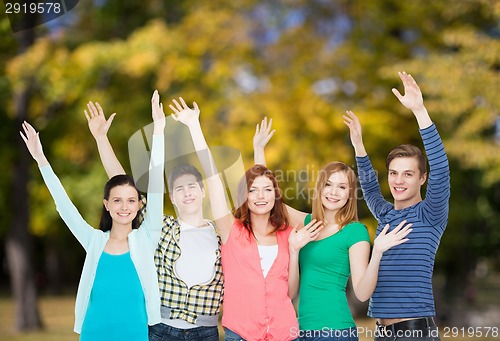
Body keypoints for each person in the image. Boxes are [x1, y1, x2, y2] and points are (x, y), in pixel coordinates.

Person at [168, 98, 323, 341]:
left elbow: (290, 293)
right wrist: (193, 126)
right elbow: (213, 177)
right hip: (240, 334)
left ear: (276, 195)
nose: (261, 196)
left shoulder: (287, 235)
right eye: (253, 191)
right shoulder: (231, 230)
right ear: (245, 196)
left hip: (286, 334)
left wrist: (294, 251)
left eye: (268, 190)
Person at [19, 90, 165, 341]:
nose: (124, 206)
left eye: (131, 201)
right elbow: (64, 207)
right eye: (117, 200)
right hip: (94, 332)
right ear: (106, 205)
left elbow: (156, 186)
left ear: (140, 205)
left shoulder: (147, 238)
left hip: (135, 333)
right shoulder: (95, 241)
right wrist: (41, 158)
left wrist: (159, 132)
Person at [253, 119, 412, 341]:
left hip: (336, 331)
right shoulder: (308, 223)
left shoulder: (354, 231)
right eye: (329, 184)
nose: (334, 192)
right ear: (320, 188)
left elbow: (363, 292)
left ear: (349, 194)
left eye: (342, 187)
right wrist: (259, 151)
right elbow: (271, 203)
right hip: (301, 330)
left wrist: (377, 253)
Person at [84, 99, 223, 341]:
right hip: (162, 329)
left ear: (202, 191)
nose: (187, 192)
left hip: (206, 331)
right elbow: (120, 182)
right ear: (173, 197)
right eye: (179, 189)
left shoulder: (221, 235)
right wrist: (100, 138)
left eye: (192, 186)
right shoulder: (161, 227)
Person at [344, 71, 450, 341]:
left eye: (408, 174)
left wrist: (420, 111)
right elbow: (368, 187)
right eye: (393, 173)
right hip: (382, 332)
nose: (399, 181)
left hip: (414, 332)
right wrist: (358, 145)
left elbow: (441, 167)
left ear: (422, 178)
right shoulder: (386, 215)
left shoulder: (430, 213)